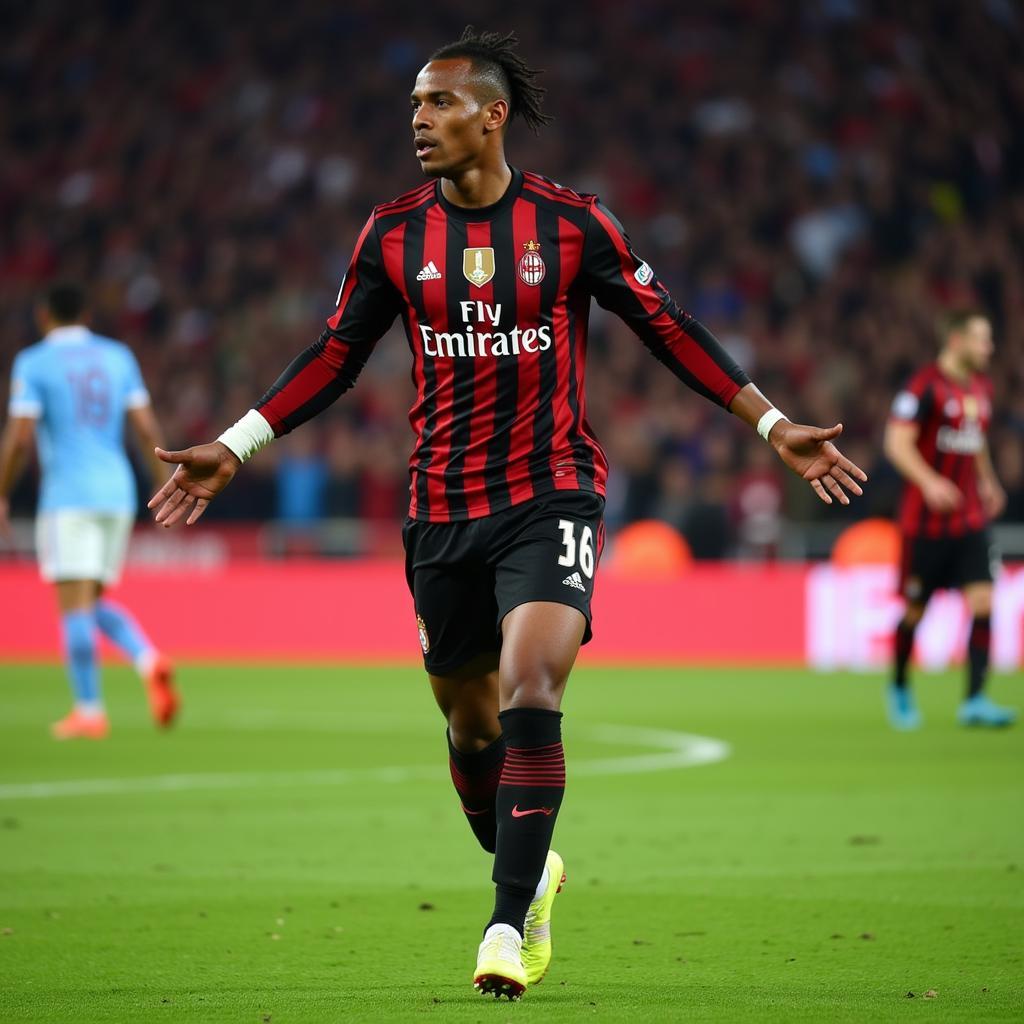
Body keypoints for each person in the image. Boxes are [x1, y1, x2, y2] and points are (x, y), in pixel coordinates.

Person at [148, 28, 866, 1000]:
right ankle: (534, 877)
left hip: (551, 490)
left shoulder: (574, 225)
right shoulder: (392, 236)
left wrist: (771, 422)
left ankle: (499, 923)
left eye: (438, 104)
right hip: (440, 507)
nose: (418, 121)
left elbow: (669, 329)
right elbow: (331, 356)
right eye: (412, 106)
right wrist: (235, 444)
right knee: (470, 727)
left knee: (534, 684)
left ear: (491, 115)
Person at [0, 282, 179, 739]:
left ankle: (89, 709)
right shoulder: (118, 357)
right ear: (86, 316)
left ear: (44, 316)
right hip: (116, 492)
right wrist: (165, 485)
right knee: (91, 600)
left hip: (68, 495)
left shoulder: (34, 362)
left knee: (73, 607)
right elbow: (144, 428)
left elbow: (20, 438)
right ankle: (147, 659)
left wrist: (2, 492)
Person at [884, 309, 1014, 730]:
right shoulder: (922, 387)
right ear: (956, 341)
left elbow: (974, 441)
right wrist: (929, 482)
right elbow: (896, 443)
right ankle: (900, 686)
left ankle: (975, 699)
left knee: (983, 600)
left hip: (970, 519)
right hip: (925, 524)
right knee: (916, 610)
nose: (988, 348)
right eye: (981, 339)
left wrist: (988, 481)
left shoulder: (980, 387)